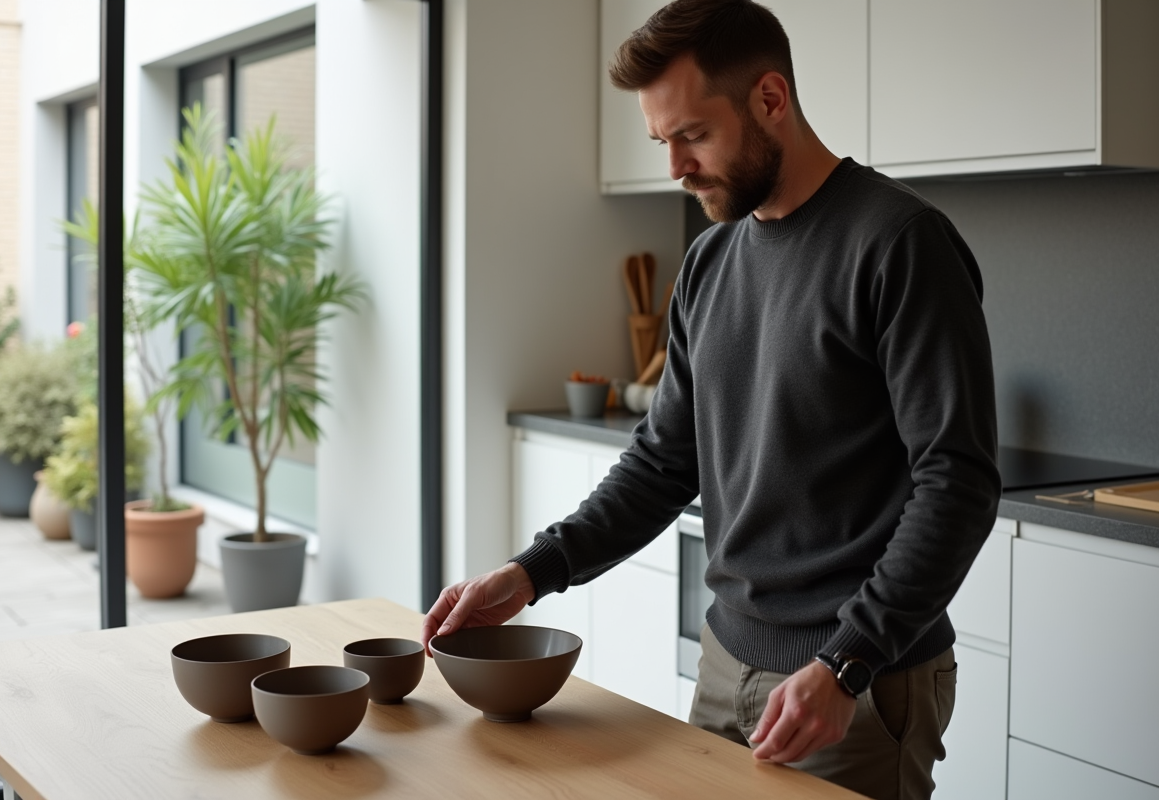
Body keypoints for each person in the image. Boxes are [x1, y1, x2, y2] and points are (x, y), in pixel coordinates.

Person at [421, 1, 1000, 797]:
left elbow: (959, 484)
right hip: (724, 664)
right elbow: (663, 463)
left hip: (858, 688)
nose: (675, 168)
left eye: (692, 135)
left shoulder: (899, 245)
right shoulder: (709, 263)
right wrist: (530, 573)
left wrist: (848, 662)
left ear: (771, 100)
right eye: (662, 142)